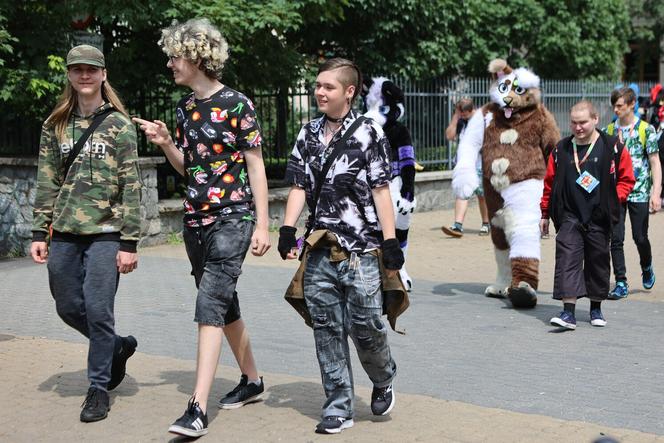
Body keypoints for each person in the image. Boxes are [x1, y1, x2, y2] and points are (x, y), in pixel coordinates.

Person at [133, 18, 271, 437]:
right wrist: (167, 144)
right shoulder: (185, 109)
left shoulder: (237, 104)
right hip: (195, 221)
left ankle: (196, 407)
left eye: (175, 56)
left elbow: (256, 166)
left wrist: (264, 224)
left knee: (209, 304)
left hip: (233, 218)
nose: (170, 64)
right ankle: (252, 380)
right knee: (222, 303)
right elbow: (189, 168)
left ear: (196, 56)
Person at [278, 58, 404, 434]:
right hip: (319, 247)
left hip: (362, 250)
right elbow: (299, 185)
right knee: (326, 329)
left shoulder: (370, 132)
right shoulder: (308, 133)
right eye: (318, 85)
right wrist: (288, 228)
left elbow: (382, 189)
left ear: (349, 92)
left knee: (366, 325)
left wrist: (391, 241)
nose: (319, 92)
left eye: (328, 87)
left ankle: (383, 376)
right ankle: (338, 405)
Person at [30, 44, 141, 422]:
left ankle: (98, 388)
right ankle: (117, 346)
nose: (85, 76)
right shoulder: (55, 124)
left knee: (98, 309)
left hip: (106, 233)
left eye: (91, 70)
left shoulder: (119, 125)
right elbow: (46, 181)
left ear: (103, 74)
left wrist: (130, 241)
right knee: (67, 306)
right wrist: (37, 232)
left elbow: (132, 185)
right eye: (77, 70)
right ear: (69, 75)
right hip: (63, 231)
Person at [541, 101, 634, 330]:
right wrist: (544, 213)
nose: (578, 127)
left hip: (599, 216)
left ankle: (595, 308)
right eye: (573, 122)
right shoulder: (560, 149)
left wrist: (614, 199)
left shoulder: (612, 147)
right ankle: (568, 313)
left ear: (595, 120)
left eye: (583, 122)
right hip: (570, 215)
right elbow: (549, 184)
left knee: (598, 262)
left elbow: (627, 179)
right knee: (567, 259)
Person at [605, 87, 661, 299]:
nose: (616, 109)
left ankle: (646, 266)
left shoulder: (646, 130)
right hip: (616, 192)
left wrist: (656, 193)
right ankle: (621, 282)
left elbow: (655, 163)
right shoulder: (608, 130)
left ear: (631, 104)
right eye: (614, 106)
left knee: (640, 237)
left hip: (639, 192)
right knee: (616, 238)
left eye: (620, 105)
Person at [442, 98, 490, 237]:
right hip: (464, 164)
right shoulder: (461, 121)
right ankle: (457, 226)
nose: (462, 116)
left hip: (480, 163)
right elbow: (449, 136)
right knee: (462, 193)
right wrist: (456, 118)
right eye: (460, 114)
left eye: (464, 114)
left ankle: (486, 224)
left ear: (471, 110)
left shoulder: (482, 120)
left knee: (482, 195)